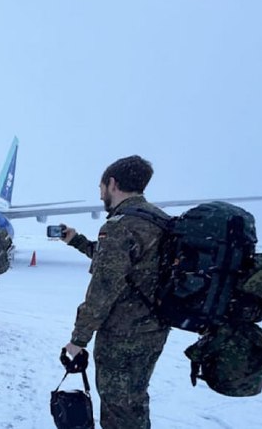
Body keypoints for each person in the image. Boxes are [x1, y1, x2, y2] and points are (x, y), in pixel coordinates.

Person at [61, 155, 170, 429]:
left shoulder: (120, 225)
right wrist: (77, 241)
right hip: (154, 329)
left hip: (124, 335)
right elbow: (128, 265)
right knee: (134, 397)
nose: (100, 195)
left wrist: (79, 339)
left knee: (117, 406)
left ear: (112, 184)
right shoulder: (160, 219)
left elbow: (104, 287)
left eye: (100, 188)